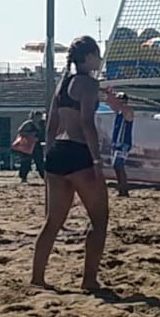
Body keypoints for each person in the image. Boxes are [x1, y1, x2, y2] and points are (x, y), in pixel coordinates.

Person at [31, 36, 109, 291]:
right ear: (87, 57)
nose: (99, 60)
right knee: (99, 220)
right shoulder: (88, 83)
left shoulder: (62, 84)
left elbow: (52, 122)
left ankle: (38, 278)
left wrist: (47, 153)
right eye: (97, 55)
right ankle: (89, 280)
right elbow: (87, 122)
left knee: (53, 221)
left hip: (58, 153)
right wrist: (96, 160)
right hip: (79, 153)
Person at [105, 90, 135, 197]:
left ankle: (124, 190)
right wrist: (108, 95)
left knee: (119, 165)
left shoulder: (127, 111)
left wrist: (113, 98)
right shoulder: (119, 112)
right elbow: (110, 104)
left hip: (123, 143)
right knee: (116, 166)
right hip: (117, 143)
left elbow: (117, 106)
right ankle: (121, 189)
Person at [14, 112, 46, 182]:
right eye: (37, 116)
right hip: (28, 145)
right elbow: (20, 131)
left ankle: (44, 177)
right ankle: (23, 177)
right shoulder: (28, 124)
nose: (38, 118)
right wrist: (30, 135)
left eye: (40, 117)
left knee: (40, 161)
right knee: (26, 161)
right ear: (33, 116)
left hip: (37, 145)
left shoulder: (42, 124)